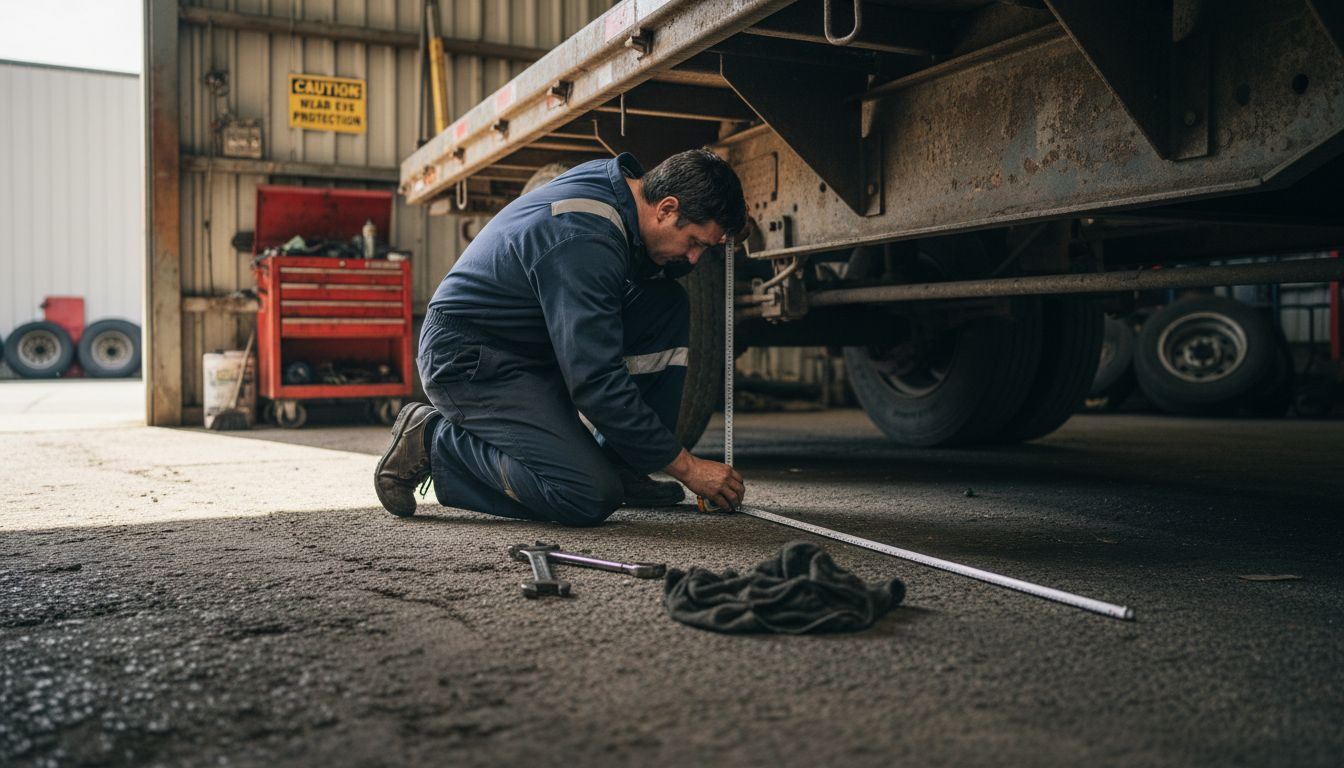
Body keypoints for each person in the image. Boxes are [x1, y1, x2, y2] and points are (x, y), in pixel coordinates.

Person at [374, 149, 748, 526]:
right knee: (585, 494)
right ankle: (432, 440)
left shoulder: (621, 194)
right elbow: (596, 382)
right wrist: (687, 467)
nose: (695, 258)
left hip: (527, 346)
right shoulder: (585, 236)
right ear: (666, 209)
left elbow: (646, 266)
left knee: (664, 304)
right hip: (470, 359)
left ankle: (622, 466)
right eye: (694, 242)